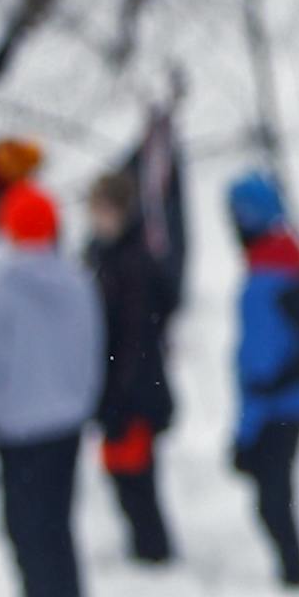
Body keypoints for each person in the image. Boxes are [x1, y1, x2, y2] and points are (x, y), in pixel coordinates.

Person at [0, 182, 105, 597]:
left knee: (24, 524)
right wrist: (83, 401)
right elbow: (93, 349)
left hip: (19, 427)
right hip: (66, 422)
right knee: (59, 516)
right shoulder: (78, 280)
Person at [86, 170, 180, 564]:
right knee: (122, 472)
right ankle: (147, 548)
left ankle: (153, 552)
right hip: (117, 384)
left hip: (135, 388)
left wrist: (120, 393)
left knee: (136, 474)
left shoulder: (133, 261)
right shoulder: (100, 254)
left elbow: (136, 337)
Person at [227, 171, 299, 588]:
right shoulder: (290, 261)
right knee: (277, 493)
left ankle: (295, 576)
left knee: (272, 500)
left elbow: (258, 366)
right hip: (297, 397)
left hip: (277, 406)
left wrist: (245, 434)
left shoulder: (264, 280)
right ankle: (295, 572)